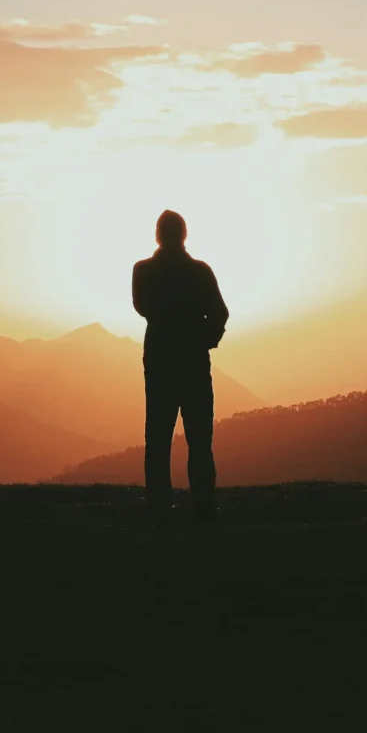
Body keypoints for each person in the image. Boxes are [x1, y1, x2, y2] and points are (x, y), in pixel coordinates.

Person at [132, 210, 229, 521]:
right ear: (184, 235)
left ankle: (159, 507)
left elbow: (141, 307)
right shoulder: (200, 272)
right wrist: (205, 339)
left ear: (158, 236)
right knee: (200, 439)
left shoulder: (143, 271)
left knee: (158, 439)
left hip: (159, 362)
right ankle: (203, 504)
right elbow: (220, 313)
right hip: (194, 364)